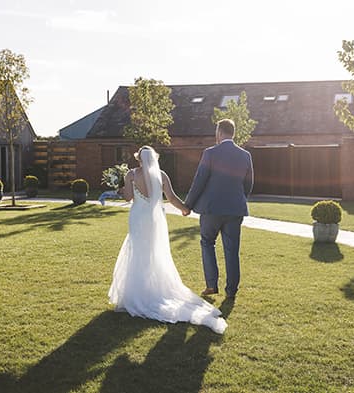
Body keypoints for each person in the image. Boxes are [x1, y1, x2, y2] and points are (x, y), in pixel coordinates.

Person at [108, 146, 227, 334]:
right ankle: (153, 289)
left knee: (138, 252)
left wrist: (119, 190)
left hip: (138, 217)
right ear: (155, 158)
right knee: (155, 252)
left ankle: (139, 293)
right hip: (156, 220)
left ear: (138, 158)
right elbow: (171, 197)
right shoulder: (162, 175)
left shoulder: (131, 174)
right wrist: (184, 209)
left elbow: (129, 197)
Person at [184, 119, 254, 299]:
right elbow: (248, 183)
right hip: (235, 210)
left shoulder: (210, 153)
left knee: (207, 243)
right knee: (232, 250)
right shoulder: (245, 155)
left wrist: (188, 205)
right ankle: (231, 291)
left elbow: (199, 181)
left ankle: (211, 285)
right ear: (233, 133)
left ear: (220, 132)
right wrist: (239, 200)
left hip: (211, 209)